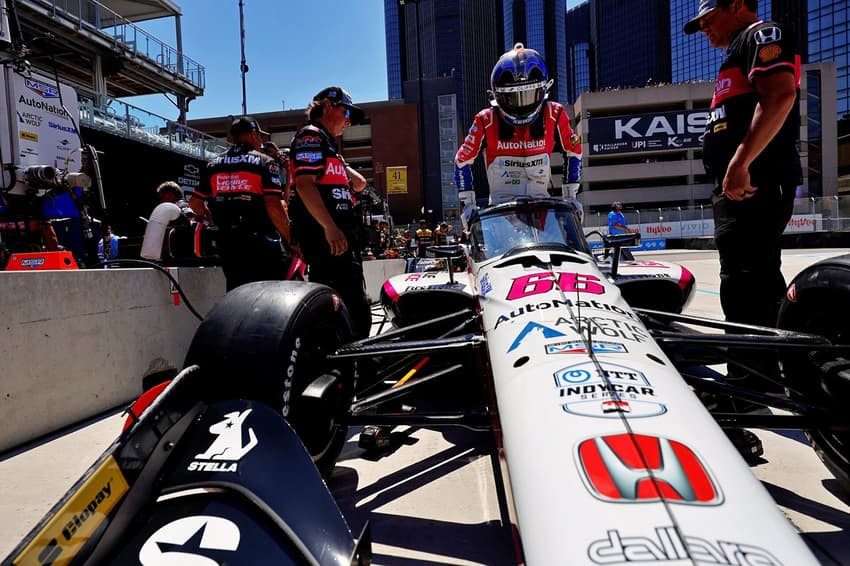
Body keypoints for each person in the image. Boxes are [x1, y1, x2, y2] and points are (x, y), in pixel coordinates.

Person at [684, 0, 801, 461]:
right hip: (742, 186)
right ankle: (769, 377)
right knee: (758, 281)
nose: (705, 31)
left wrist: (740, 163)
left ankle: (747, 389)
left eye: (709, 20)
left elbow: (781, 96)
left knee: (743, 285)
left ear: (737, 7)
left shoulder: (760, 35)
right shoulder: (737, 53)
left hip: (752, 185)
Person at [454, 43, 583, 227]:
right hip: (500, 217)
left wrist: (571, 197)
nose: (521, 103)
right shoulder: (485, 119)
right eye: (513, 96)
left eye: (528, 94)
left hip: (543, 212)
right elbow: (461, 160)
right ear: (497, 94)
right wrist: (468, 205)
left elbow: (574, 150)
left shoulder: (555, 113)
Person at [288, 86, 371, 339]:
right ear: (326, 105)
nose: (348, 120)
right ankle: (350, 369)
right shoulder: (310, 136)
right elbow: (304, 184)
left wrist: (342, 164)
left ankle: (354, 367)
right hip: (327, 242)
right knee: (349, 312)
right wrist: (329, 227)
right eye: (345, 112)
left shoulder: (327, 146)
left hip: (341, 241)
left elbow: (360, 185)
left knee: (356, 310)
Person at [189, 116, 292, 291]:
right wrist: (291, 239)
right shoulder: (265, 162)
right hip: (260, 243)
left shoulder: (213, 164)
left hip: (227, 243)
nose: (261, 140)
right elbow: (274, 206)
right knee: (272, 294)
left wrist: (207, 214)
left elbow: (195, 202)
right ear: (253, 134)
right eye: (260, 136)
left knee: (237, 293)